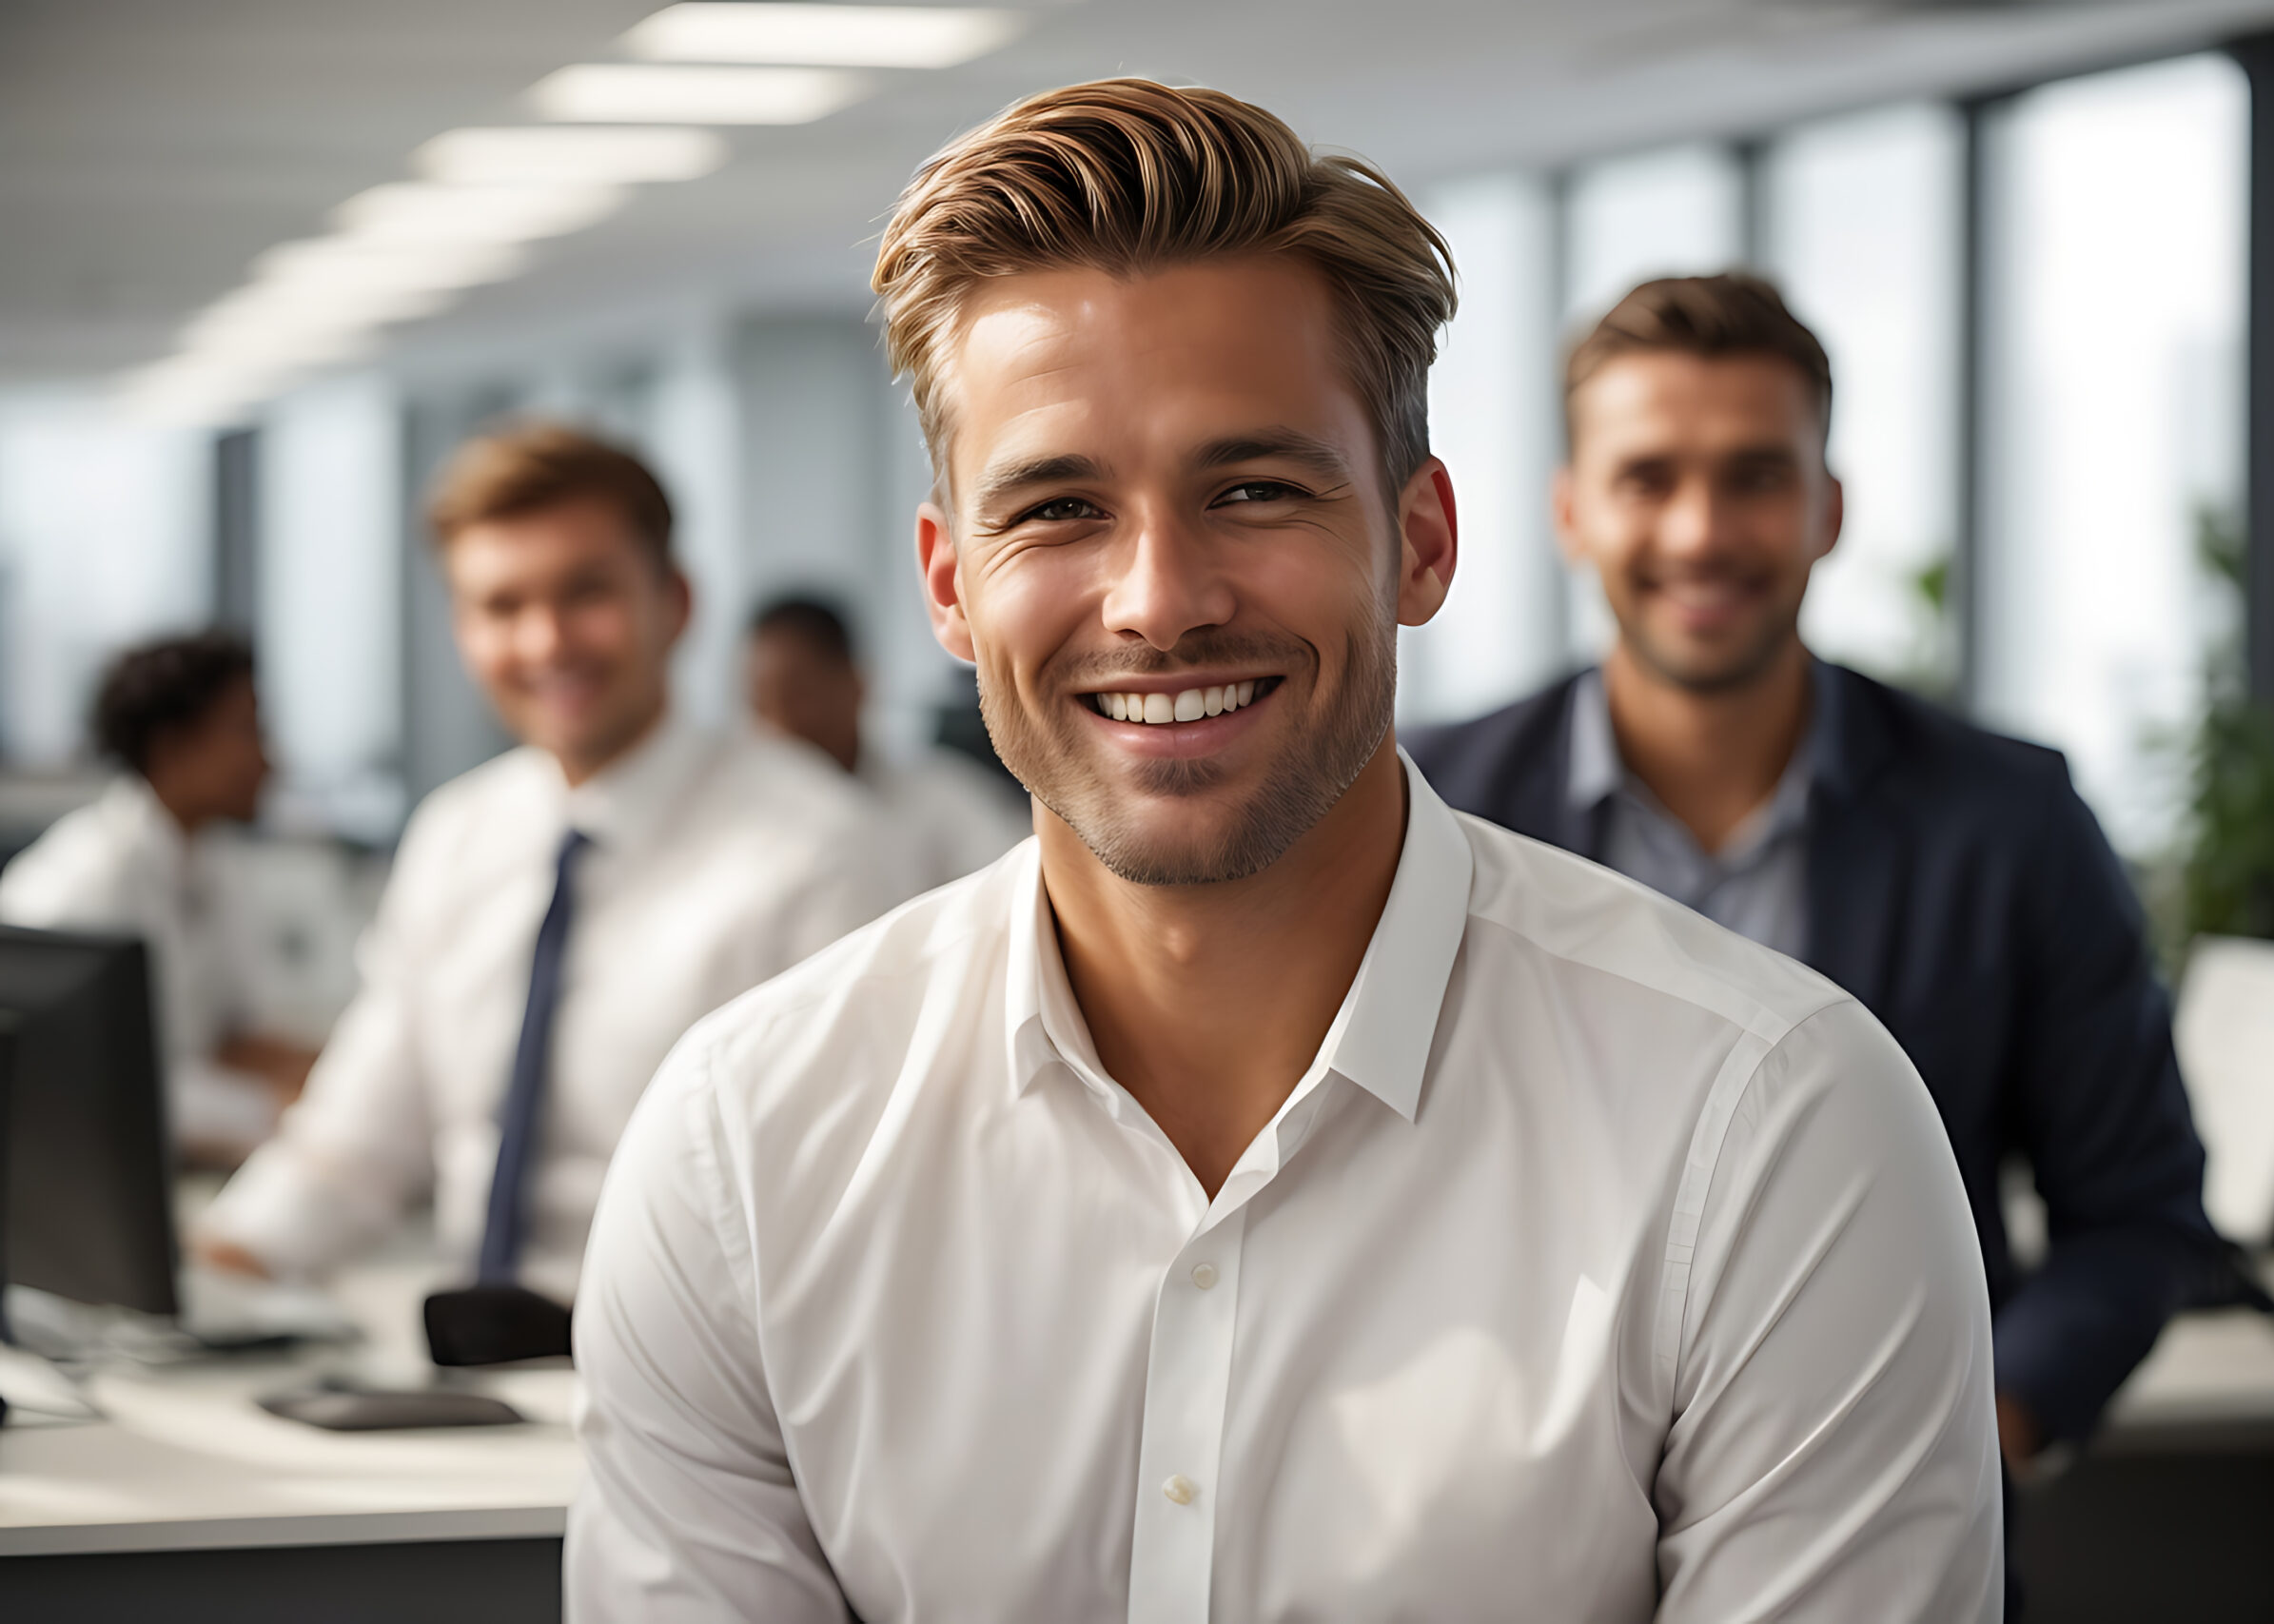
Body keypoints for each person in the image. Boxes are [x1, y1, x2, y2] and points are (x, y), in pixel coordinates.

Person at [569, 82, 2001, 1621]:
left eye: (1252, 489)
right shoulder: (743, 1150)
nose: (1158, 600)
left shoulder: (1772, 1127)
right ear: (948, 585)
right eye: (1058, 507)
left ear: (1422, 541)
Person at [1408, 274, 2217, 1484]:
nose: (1700, 532)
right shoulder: (1423, 809)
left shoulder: (2007, 821)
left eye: (1754, 477)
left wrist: (1967, 1438)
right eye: (1648, 479)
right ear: (1571, 513)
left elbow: (2137, 1217)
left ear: (1826, 508)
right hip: (1502, 1513)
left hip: (1887, 1507)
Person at [191, 424, 899, 1302]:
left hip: (699, 1367)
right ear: (462, 630)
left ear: (675, 602)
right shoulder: (457, 836)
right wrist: (199, 1269)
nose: (545, 642)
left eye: (586, 592)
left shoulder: (818, 850)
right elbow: (352, 1146)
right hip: (466, 1357)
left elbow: (848, 1211)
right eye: (501, 606)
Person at [0, 632, 313, 1163]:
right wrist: (283, 1115)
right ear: (172, 745)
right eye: (247, 730)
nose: (269, 760)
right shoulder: (81, 884)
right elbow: (91, 1087)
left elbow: (238, 1038)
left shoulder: (214, 863)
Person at [748, 593, 1029, 890]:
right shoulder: (744, 827)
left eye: (798, 696)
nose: (778, 723)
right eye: (759, 703)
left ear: (856, 685)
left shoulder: (951, 806)